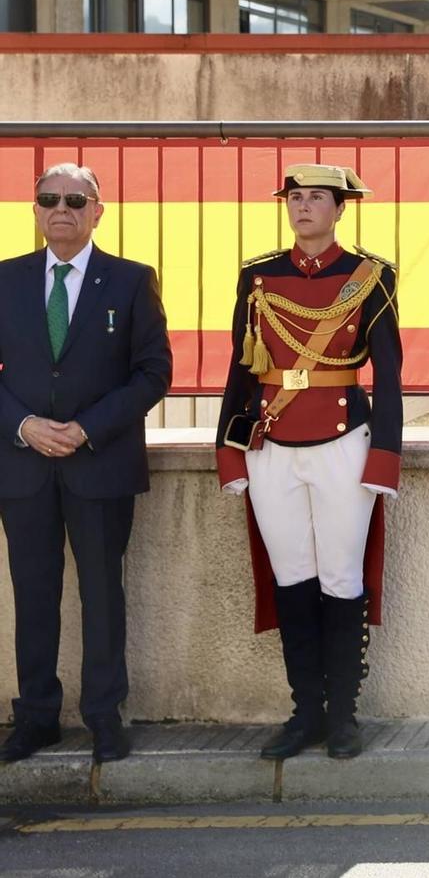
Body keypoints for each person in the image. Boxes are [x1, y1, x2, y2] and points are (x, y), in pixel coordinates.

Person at [215, 164, 402, 760]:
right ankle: (305, 714)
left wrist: (384, 459)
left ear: (339, 209)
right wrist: (229, 453)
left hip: (344, 442)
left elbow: (390, 376)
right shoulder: (258, 277)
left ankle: (344, 716)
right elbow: (241, 368)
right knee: (291, 578)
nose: (304, 207)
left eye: (317, 198)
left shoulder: (370, 276)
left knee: (343, 580)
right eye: (296, 197)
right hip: (271, 444)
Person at [0, 163, 171, 764]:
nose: (62, 209)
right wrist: (22, 424)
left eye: (76, 199)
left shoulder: (129, 281)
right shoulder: (6, 280)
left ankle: (104, 715)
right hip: (22, 466)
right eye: (49, 198)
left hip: (99, 463)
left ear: (99, 209)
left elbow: (154, 372)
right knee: (33, 593)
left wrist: (86, 428)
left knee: (102, 592)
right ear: (35, 209)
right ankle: (37, 716)